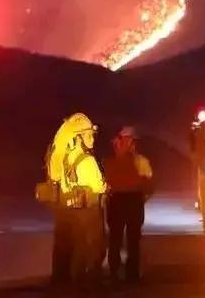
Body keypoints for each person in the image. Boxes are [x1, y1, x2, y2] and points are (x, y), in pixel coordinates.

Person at [46, 113, 107, 288]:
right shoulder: (86, 161)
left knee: (69, 248)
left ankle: (64, 284)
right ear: (78, 138)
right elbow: (99, 186)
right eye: (88, 135)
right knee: (92, 248)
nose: (92, 140)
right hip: (88, 211)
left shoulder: (64, 160)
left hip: (70, 210)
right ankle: (86, 285)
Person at [103, 126, 153, 283]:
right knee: (132, 239)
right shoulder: (140, 161)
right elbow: (149, 184)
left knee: (116, 238)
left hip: (117, 201)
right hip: (132, 201)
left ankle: (114, 272)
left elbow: (105, 184)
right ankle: (131, 274)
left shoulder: (109, 162)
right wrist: (142, 197)